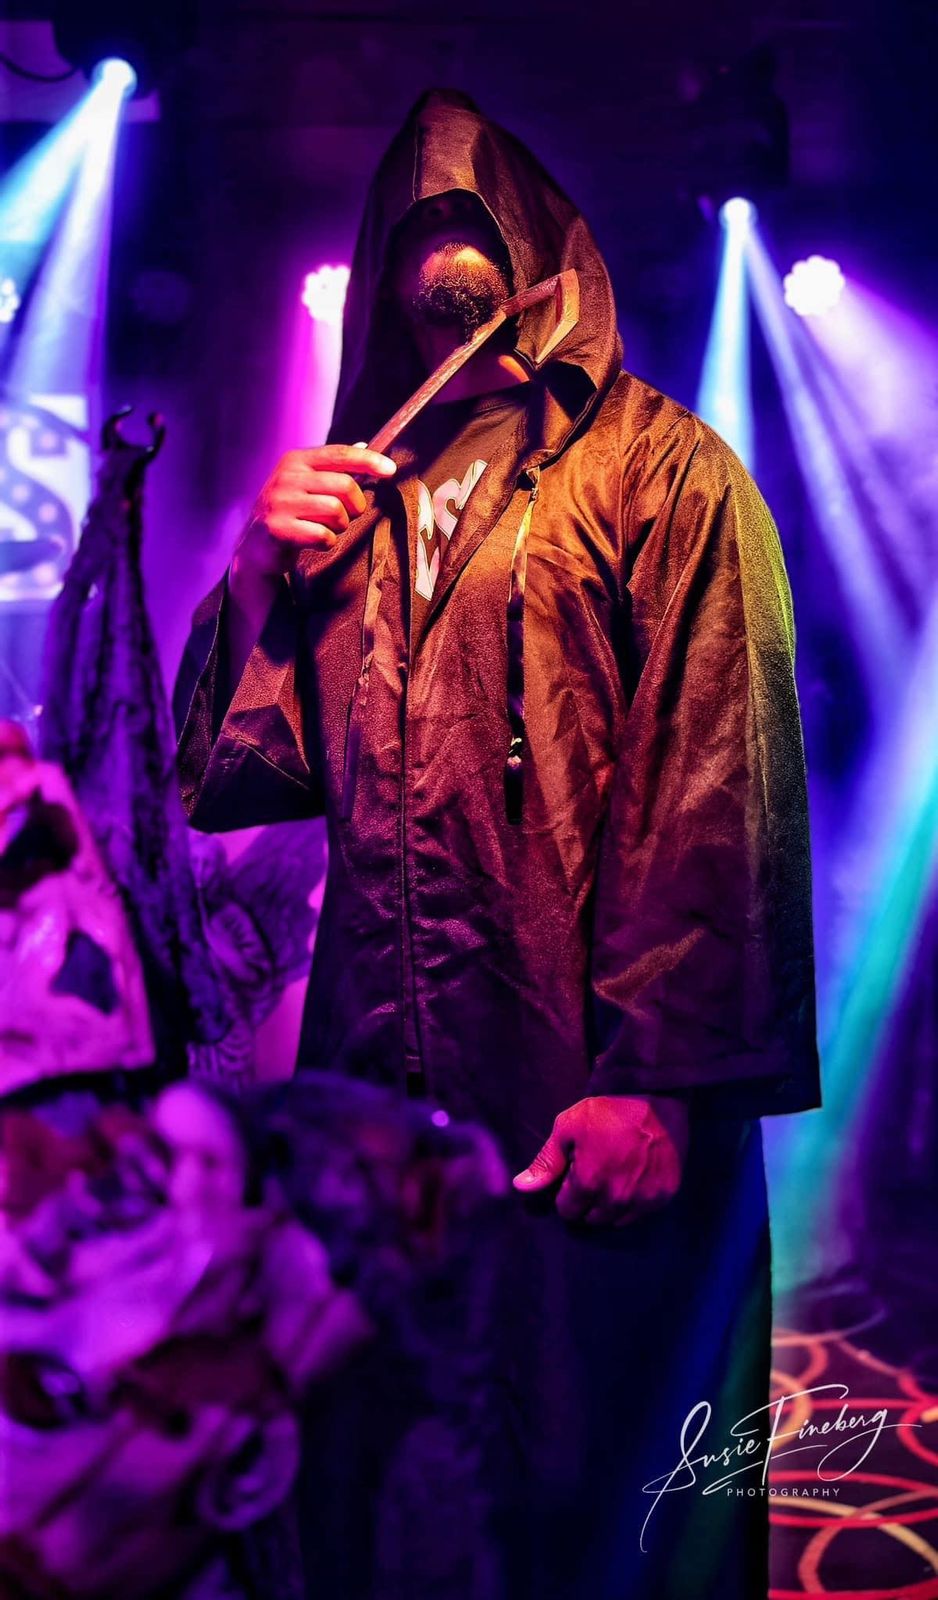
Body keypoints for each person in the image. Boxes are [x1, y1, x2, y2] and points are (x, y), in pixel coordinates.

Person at [175, 88, 820, 1600]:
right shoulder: (356, 499)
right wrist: (256, 577)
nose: (446, 236)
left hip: (581, 1080)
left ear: (539, 243)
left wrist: (659, 1084)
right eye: (417, 217)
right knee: (393, 1485)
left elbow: (717, 771)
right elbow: (233, 775)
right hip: (381, 1101)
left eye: (475, 211)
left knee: (617, 1477)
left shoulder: (658, 468)